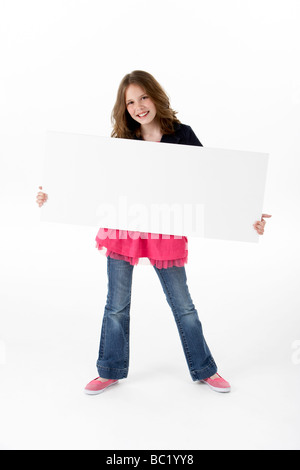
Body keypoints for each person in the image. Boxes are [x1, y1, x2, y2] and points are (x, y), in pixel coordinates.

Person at [36, 70, 272, 395]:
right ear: (125, 108)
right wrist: (54, 196)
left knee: (183, 305)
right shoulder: (122, 141)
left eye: (143, 97)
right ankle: (110, 369)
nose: (138, 106)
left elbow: (213, 181)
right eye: (130, 102)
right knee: (116, 304)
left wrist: (248, 214)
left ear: (155, 96)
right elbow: (92, 183)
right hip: (124, 231)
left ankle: (205, 368)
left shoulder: (183, 135)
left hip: (166, 231)